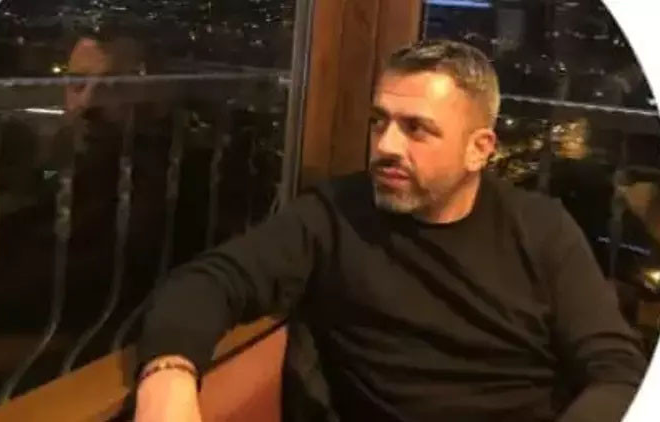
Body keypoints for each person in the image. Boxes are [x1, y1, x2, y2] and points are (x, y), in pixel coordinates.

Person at [134, 40, 648, 421]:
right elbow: (211, 280)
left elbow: (616, 371)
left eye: (416, 128)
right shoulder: (335, 215)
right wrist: (167, 377)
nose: (385, 146)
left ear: (479, 149)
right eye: (380, 122)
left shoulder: (541, 228)